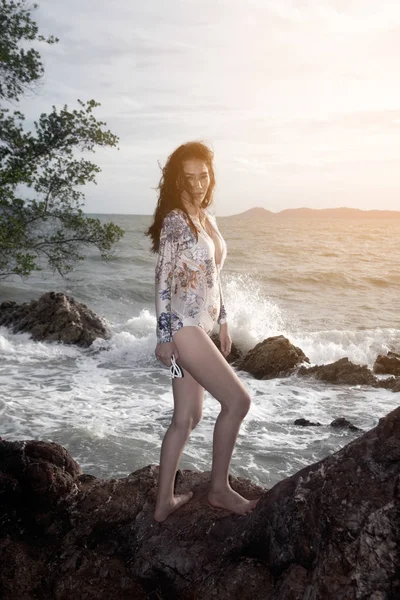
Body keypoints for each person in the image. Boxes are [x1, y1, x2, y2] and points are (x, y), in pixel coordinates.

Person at [146, 141, 258, 522]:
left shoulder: (207, 217)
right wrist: (163, 336)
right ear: (178, 178)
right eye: (189, 177)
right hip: (182, 327)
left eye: (203, 176)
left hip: (201, 328)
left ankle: (164, 503)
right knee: (238, 402)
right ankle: (219, 490)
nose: (197, 183)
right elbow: (161, 279)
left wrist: (223, 320)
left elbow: (215, 277)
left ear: (211, 177)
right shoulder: (176, 220)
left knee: (188, 417)